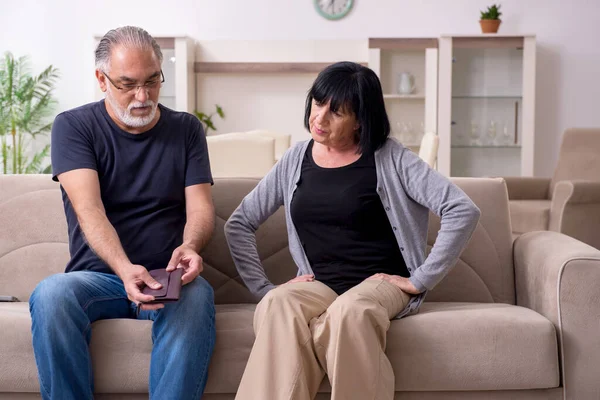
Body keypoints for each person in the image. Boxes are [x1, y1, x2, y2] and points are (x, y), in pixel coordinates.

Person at [225, 61, 481, 400]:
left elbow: (462, 210)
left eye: (337, 112)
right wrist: (263, 286)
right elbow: (239, 223)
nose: (319, 118)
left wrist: (420, 280)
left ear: (361, 119)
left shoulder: (391, 158)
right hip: (320, 284)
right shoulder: (294, 159)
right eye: (318, 104)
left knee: (349, 311)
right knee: (278, 303)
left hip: (379, 282)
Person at [29, 26, 216, 400]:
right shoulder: (74, 126)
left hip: (167, 277)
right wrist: (124, 267)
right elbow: (89, 209)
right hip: (100, 278)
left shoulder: (186, 129)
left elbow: (200, 205)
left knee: (198, 297)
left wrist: (191, 245)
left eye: (152, 81)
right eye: (127, 84)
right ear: (102, 79)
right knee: (51, 295)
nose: (142, 96)